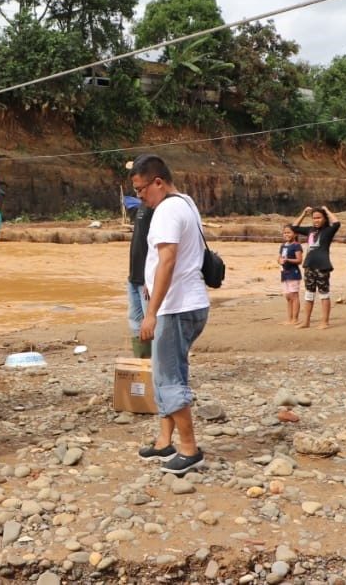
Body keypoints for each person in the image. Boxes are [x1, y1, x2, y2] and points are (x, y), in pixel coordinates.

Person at [131, 154, 209, 476]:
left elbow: (167, 261)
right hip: (189, 302)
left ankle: (189, 449)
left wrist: (151, 314)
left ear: (158, 182)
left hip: (176, 308)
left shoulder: (165, 210)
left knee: (168, 377)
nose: (139, 197)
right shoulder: (186, 202)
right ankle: (165, 440)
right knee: (169, 371)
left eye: (141, 189)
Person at [290, 205, 340, 328]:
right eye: (314, 218)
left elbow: (337, 223)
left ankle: (325, 322)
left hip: (322, 267)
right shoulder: (310, 230)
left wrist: (327, 210)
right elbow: (294, 228)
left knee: (324, 294)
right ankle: (306, 321)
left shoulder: (328, 230)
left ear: (324, 218)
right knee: (309, 294)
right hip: (309, 266)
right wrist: (303, 214)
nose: (316, 220)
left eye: (319, 217)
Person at [126, 168, 155, 359]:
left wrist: (150, 278)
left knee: (150, 324)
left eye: (140, 189)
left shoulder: (158, 209)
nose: (137, 194)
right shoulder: (141, 207)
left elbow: (161, 249)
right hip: (134, 277)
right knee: (136, 323)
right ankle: (143, 365)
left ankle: (157, 369)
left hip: (147, 280)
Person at [278, 225, 303, 325]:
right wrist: (279, 261)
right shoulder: (283, 246)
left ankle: (295, 319)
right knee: (288, 297)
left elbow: (299, 260)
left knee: (294, 296)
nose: (286, 234)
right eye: (285, 233)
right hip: (284, 273)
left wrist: (288, 260)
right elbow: (279, 258)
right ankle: (289, 318)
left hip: (293, 273)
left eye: (289, 232)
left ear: (295, 234)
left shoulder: (296, 245)